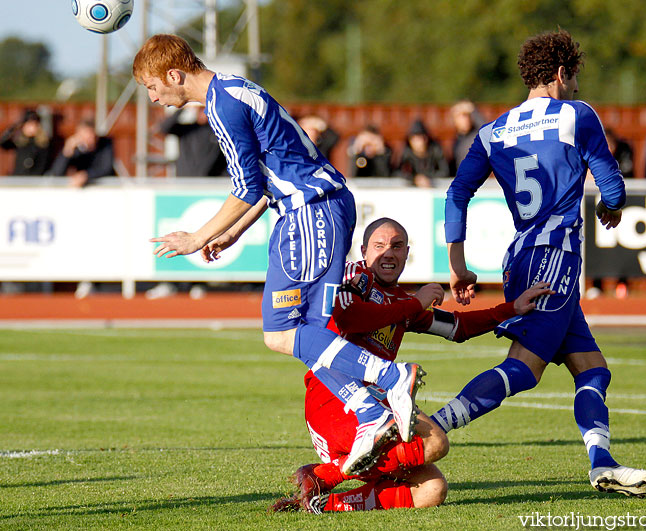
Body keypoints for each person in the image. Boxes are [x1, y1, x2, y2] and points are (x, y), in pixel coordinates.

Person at [133, 34, 428, 474]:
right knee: (311, 330)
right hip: (320, 207)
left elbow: (247, 186)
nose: (155, 98)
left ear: (175, 74)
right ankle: (371, 413)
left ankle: (389, 380)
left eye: (154, 87)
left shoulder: (220, 105)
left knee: (281, 333)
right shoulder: (235, 88)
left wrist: (197, 238)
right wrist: (235, 230)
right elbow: (271, 174)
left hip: (307, 214)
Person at [433, 29, 646, 498]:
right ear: (561, 74)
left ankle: (602, 464)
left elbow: (458, 192)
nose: (578, 88)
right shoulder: (577, 115)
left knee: (593, 369)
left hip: (521, 256)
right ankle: (425, 425)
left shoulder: (492, 130)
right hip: (555, 258)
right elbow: (614, 187)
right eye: (575, 78)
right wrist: (611, 207)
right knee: (525, 368)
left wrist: (457, 265)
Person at [270, 218, 552, 514]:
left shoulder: (403, 302)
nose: (388, 253)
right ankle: (323, 475)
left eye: (397, 246)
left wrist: (511, 309)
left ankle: (323, 502)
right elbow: (349, 317)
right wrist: (416, 303)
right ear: (365, 251)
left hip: (377, 406)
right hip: (335, 398)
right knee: (435, 443)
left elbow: (458, 328)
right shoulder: (356, 274)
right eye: (379, 246)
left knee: (431, 489)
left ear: (407, 253)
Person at [159, 106, 227, 177]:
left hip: (210, 182)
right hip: (186, 180)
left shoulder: (219, 131)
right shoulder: (186, 129)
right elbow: (164, 128)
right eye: (201, 109)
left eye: (206, 109)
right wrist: (182, 107)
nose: (204, 113)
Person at [49, 117, 114, 187]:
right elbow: (57, 172)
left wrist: (86, 175)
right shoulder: (75, 149)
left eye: (90, 135)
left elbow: (106, 168)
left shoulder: (105, 145)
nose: (88, 139)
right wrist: (67, 151)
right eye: (84, 136)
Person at [396, 119, 449, 187]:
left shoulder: (435, 151)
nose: (419, 143)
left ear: (426, 139)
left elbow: (445, 171)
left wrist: (428, 178)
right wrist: (415, 179)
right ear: (410, 141)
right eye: (415, 139)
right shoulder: (406, 154)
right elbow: (397, 173)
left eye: (421, 138)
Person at [0, 109, 53, 176]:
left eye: (33, 125)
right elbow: (3, 143)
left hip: (35, 180)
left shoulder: (42, 143)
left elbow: (42, 164)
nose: (31, 128)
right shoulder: (20, 142)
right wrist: (13, 128)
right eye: (28, 125)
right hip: (18, 178)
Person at [450, 100, 484, 175]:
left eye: (467, 116)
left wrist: (472, 109)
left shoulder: (477, 136)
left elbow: (486, 129)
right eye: (461, 117)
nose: (465, 120)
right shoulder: (456, 141)